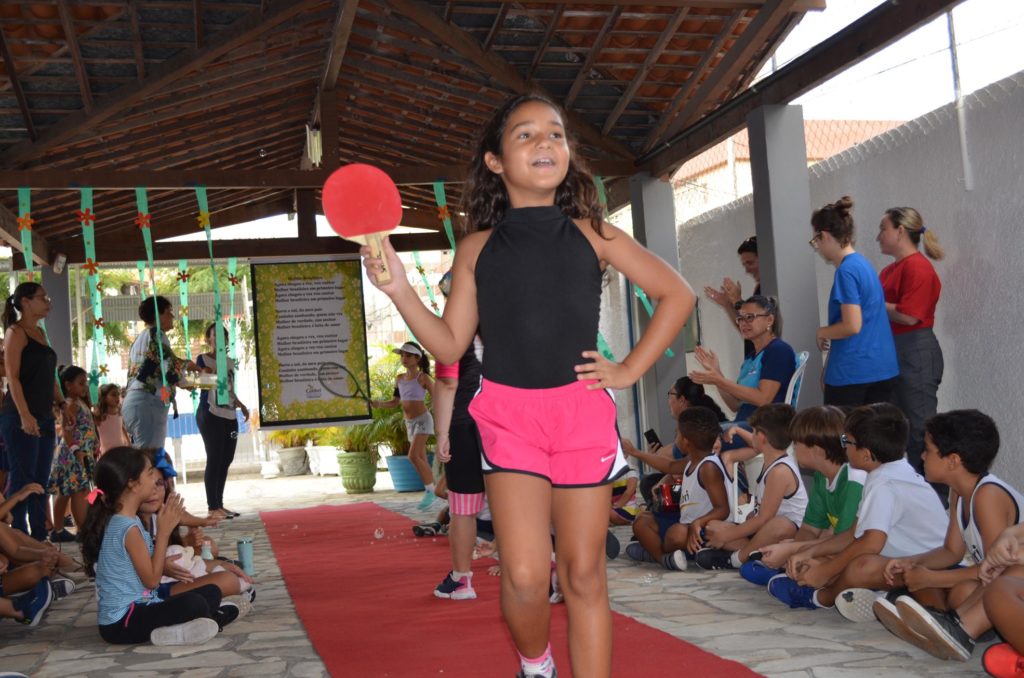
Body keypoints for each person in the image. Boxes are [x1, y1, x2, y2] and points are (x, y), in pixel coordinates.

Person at [360, 93, 695, 678]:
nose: (546, 143)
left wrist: (628, 370)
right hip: (508, 416)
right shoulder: (476, 249)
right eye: (526, 135)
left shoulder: (595, 233)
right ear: (495, 162)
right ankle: (535, 665)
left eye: (556, 134)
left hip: (580, 415)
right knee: (522, 574)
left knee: (584, 574)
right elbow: (447, 345)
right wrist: (399, 292)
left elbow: (678, 294)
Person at [767, 404, 946, 616]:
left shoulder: (884, 484)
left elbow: (870, 543)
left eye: (847, 441)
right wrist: (809, 552)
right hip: (909, 562)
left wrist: (825, 571)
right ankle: (887, 597)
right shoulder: (888, 473)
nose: (842, 446)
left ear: (867, 454)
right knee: (847, 561)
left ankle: (820, 598)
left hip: (931, 568)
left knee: (860, 566)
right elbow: (853, 533)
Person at [871, 410, 1022, 660]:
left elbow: (997, 567)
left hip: (1010, 578)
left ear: (952, 460)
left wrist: (930, 578)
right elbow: (950, 551)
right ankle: (953, 624)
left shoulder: (987, 496)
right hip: (998, 581)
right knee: (961, 591)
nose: (922, 455)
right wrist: (914, 561)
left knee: (961, 589)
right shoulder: (959, 493)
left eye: (928, 450)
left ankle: (958, 627)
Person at [80, 447, 233, 645]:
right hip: (122, 623)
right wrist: (163, 533)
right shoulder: (128, 528)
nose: (155, 479)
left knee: (210, 592)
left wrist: (165, 562)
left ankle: (200, 623)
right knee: (193, 603)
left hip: (143, 606)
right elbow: (152, 582)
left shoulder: (126, 521)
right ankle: (200, 623)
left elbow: (146, 571)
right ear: (133, 484)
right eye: (150, 473)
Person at [740, 405, 866, 587]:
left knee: (815, 565)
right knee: (768, 566)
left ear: (817, 450)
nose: (793, 448)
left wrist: (794, 550)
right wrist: (792, 556)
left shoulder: (854, 480)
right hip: (838, 545)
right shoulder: (822, 476)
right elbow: (810, 529)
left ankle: (818, 590)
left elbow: (846, 541)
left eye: (797, 443)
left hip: (856, 552)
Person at [877, 206, 945, 486]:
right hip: (895, 351)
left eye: (883, 229)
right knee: (896, 430)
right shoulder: (889, 270)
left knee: (919, 430)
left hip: (914, 349)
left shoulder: (917, 267)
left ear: (900, 231)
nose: (878, 236)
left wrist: (873, 305)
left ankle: (936, 499)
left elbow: (910, 314)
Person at [431, 269, 487, 601]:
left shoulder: (450, 332)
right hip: (510, 421)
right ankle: (548, 571)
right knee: (519, 504)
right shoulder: (510, 318)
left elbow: (447, 383)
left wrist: (441, 432)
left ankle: (462, 578)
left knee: (463, 508)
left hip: (466, 421)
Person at [810, 197, 898, 406]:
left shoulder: (846, 271)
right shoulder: (863, 265)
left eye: (816, 241)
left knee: (842, 437)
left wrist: (821, 332)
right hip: (881, 368)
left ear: (824, 235)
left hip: (853, 373)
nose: (818, 248)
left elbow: (852, 325)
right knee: (872, 437)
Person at [698, 404, 807, 570]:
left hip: (787, 533)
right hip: (763, 532)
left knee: (779, 525)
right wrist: (738, 430)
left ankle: (736, 559)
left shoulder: (780, 471)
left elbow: (765, 519)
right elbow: (755, 443)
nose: (751, 435)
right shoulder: (772, 457)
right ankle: (755, 553)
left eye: (754, 431)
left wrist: (727, 535)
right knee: (713, 527)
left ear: (762, 437)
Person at [625, 407, 731, 571]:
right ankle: (662, 558)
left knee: (676, 533)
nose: (676, 438)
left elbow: (723, 509)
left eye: (678, 434)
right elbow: (668, 465)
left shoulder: (708, 467)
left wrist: (699, 522)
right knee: (642, 521)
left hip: (702, 530)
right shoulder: (692, 460)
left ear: (686, 441)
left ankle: (653, 552)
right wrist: (635, 452)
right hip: (685, 522)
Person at [0, 282, 61, 540]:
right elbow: (13, 378)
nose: (47, 302)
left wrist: (62, 402)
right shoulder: (16, 332)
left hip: (45, 417)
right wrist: (25, 415)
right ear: (25, 302)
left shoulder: (40, 333)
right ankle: (19, 538)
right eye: (42, 298)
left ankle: (39, 536)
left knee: (40, 481)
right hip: (19, 417)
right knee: (24, 480)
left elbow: (50, 376)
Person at [690, 295, 796, 426]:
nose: (743, 323)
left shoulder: (778, 350)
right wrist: (716, 373)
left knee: (700, 440)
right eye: (740, 318)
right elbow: (734, 405)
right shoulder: (750, 358)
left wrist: (718, 380)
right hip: (743, 422)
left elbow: (764, 399)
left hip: (767, 427)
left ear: (769, 320)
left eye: (750, 317)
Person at [621, 376, 725, 508]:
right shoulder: (690, 455)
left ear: (682, 400)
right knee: (650, 484)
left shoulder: (694, 431)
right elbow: (671, 465)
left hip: (693, 492)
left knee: (650, 486)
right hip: (682, 481)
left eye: (670, 394)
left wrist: (636, 452)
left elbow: (672, 465)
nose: (668, 400)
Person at [371, 341, 438, 511]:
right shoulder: (399, 378)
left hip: (423, 420)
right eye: (402, 355)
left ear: (417, 358)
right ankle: (433, 491)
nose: (404, 358)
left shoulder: (423, 377)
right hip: (409, 423)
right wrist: (378, 404)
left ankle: (432, 491)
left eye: (408, 355)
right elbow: (394, 402)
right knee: (421, 458)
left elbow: (439, 396)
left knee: (413, 456)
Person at [122, 296, 196, 449]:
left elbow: (159, 366)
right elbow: (168, 369)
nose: (172, 316)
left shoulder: (141, 338)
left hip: (134, 402)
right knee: (149, 458)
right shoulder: (157, 335)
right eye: (169, 312)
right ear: (158, 315)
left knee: (144, 456)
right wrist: (189, 369)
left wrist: (182, 379)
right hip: (146, 402)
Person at [195, 323, 249, 521]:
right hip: (210, 415)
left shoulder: (228, 362)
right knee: (215, 458)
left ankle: (219, 504)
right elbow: (201, 384)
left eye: (222, 336)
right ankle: (212, 507)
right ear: (208, 339)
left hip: (229, 417)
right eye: (213, 336)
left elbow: (229, 388)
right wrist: (205, 372)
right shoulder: (202, 359)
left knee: (226, 459)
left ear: (226, 340)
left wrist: (241, 405)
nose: (218, 339)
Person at [47, 365, 98, 542]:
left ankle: (61, 528)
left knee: (72, 491)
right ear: (68, 385)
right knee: (75, 490)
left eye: (86, 383)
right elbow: (67, 431)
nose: (85, 387)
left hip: (82, 453)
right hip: (73, 454)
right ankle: (74, 528)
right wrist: (76, 450)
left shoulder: (80, 403)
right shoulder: (70, 405)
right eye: (81, 383)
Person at [94, 384, 130, 458]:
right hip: (107, 452)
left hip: (120, 449)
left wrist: (128, 441)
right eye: (113, 395)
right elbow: (91, 430)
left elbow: (121, 427)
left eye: (118, 394)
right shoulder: (99, 415)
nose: (117, 397)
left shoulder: (118, 412)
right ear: (104, 398)